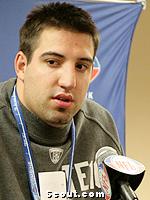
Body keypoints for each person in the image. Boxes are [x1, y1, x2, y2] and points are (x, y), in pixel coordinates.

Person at [0, 2, 123, 200]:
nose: (68, 81)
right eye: (52, 62)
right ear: (22, 66)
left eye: (81, 66)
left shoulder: (101, 125)